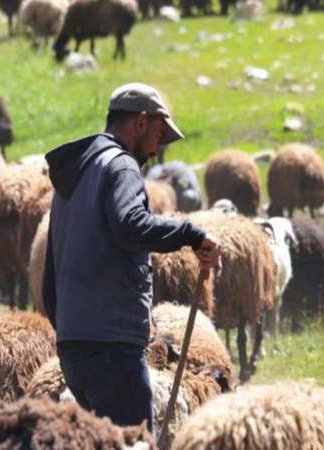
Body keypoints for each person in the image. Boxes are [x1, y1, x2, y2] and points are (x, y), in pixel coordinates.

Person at [42, 82, 222, 435]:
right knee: (134, 444)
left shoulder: (74, 178)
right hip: (113, 350)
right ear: (140, 122)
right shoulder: (121, 167)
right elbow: (129, 225)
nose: (156, 150)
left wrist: (71, 330)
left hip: (75, 348)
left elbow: (51, 275)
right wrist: (191, 234)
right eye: (157, 134)